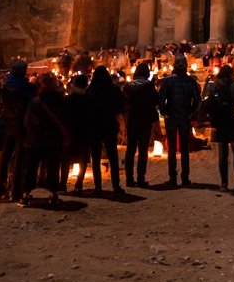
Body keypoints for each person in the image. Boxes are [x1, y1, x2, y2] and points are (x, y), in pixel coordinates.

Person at [20, 73, 68, 206]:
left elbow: (26, 121)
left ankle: (25, 195)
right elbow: (65, 118)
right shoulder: (61, 99)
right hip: (54, 139)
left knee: (31, 167)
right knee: (53, 167)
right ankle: (53, 194)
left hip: (35, 139)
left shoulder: (35, 101)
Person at [0, 60, 37, 201]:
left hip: (8, 123)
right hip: (22, 125)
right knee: (19, 158)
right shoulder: (27, 88)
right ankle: (16, 190)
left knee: (5, 155)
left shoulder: (6, 87)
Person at [159, 54, 200, 187]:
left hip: (171, 116)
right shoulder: (191, 81)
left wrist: (164, 111)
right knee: (184, 148)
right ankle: (185, 178)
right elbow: (197, 98)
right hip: (184, 116)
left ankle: (173, 178)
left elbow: (161, 98)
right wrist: (192, 112)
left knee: (171, 148)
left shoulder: (168, 80)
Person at [207, 65, 234, 190]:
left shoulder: (214, 86)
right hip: (231, 120)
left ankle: (224, 183)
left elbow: (209, 103)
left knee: (223, 153)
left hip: (219, 122)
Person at [86, 65, 126, 196]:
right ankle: (116, 185)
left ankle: (98, 187)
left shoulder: (91, 90)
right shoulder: (114, 89)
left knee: (96, 157)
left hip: (94, 126)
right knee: (113, 156)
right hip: (109, 124)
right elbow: (121, 107)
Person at [123, 62, 159, 188]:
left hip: (131, 122)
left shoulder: (127, 87)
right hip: (145, 122)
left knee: (130, 150)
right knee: (143, 151)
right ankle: (140, 179)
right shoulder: (149, 86)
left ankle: (129, 179)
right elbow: (156, 100)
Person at [59, 74, 90, 193]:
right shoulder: (88, 99)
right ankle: (79, 184)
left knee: (66, 159)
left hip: (70, 131)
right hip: (84, 131)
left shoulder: (68, 100)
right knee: (82, 159)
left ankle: (63, 185)